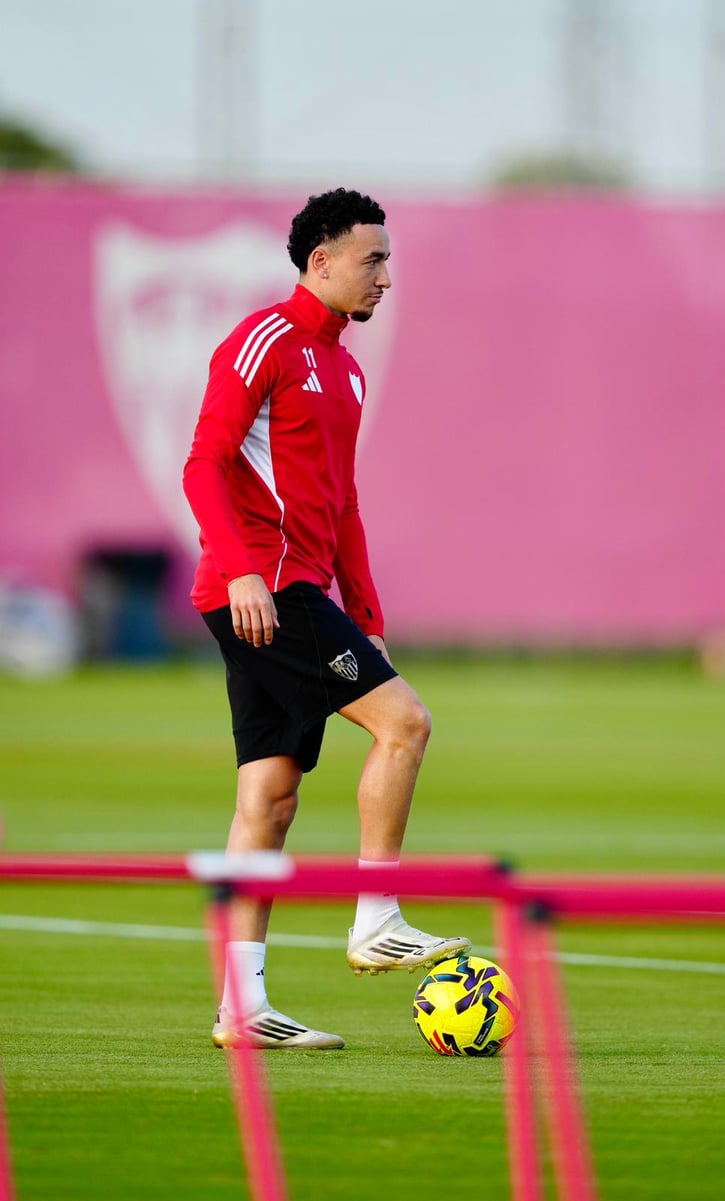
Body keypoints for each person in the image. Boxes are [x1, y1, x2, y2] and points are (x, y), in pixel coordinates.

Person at [183, 188, 469, 1050]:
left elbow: (342, 503)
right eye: (372, 259)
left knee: (268, 798)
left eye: (387, 260)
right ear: (321, 261)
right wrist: (242, 569)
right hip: (264, 591)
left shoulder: (347, 370)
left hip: (295, 590)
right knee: (405, 723)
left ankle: (241, 1006)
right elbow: (204, 463)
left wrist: (367, 613)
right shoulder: (263, 340)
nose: (386, 276)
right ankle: (376, 915)